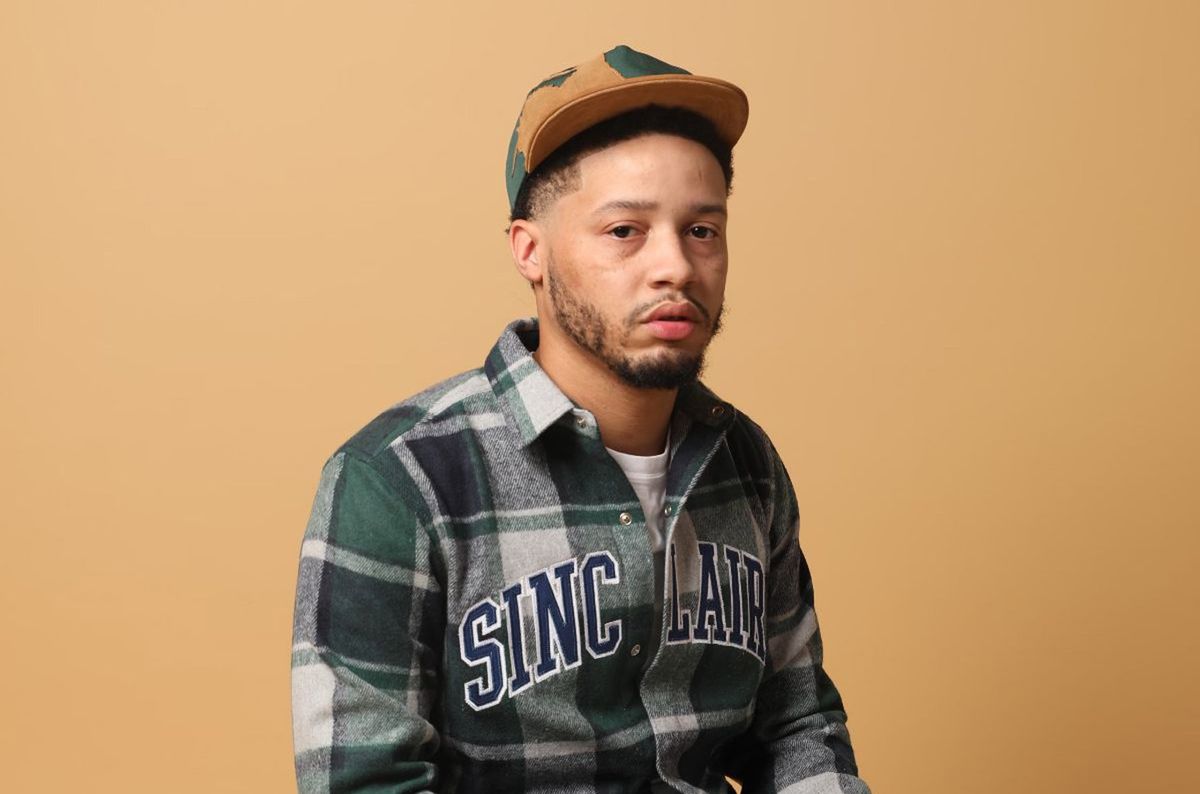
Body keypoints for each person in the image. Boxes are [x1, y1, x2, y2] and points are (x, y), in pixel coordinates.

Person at [291, 44, 871, 794]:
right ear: (530, 251)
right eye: (625, 231)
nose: (675, 267)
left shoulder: (745, 462)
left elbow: (797, 728)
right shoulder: (398, 480)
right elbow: (365, 780)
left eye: (702, 230)